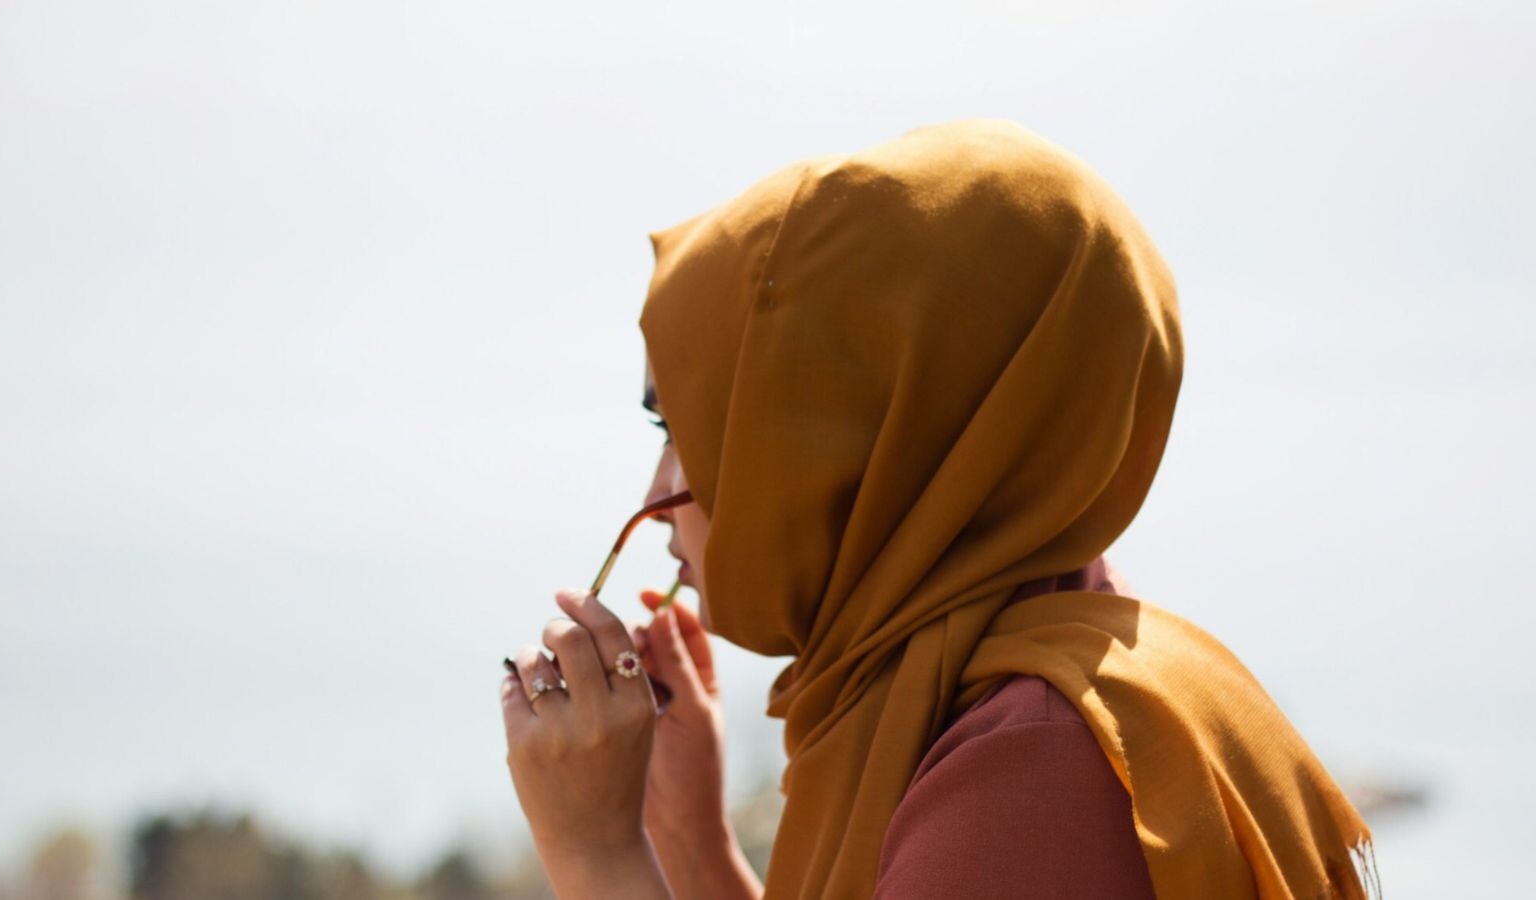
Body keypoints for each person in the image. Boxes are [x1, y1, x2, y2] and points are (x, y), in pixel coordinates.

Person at [499, 120, 1377, 899]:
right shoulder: (1024, 682)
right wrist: (690, 841)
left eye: (687, 425)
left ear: (859, 435)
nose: (655, 498)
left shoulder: (1030, 779)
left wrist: (598, 857)